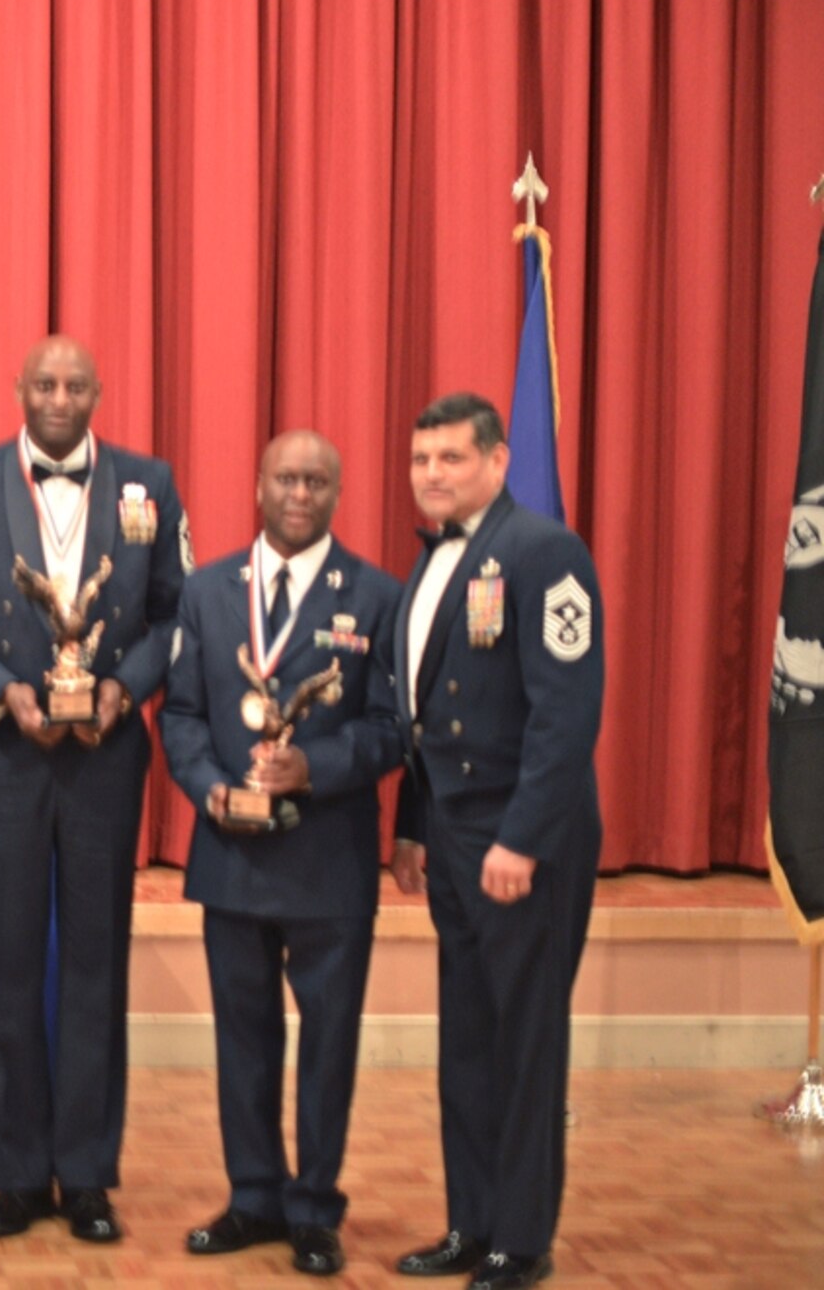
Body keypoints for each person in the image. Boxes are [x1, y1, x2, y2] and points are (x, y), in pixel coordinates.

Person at [0, 334, 188, 1242]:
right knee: (13, 964)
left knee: (97, 965)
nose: (59, 397)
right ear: (18, 388)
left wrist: (125, 687)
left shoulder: (148, 482)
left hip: (107, 759)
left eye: (75, 384)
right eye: (44, 382)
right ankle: (20, 1173)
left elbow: (178, 613)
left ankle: (89, 1173)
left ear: (98, 392)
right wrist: (0, 694)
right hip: (10, 757)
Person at [159, 431, 402, 1277]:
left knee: (329, 1041)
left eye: (317, 480)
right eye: (286, 478)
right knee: (244, 1039)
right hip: (231, 851)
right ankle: (253, 1197)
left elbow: (390, 729)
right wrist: (208, 788)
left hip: (330, 862)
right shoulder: (209, 590)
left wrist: (315, 767)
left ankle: (315, 1208)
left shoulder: (376, 596)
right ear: (258, 484)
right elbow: (181, 713)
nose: (300, 492)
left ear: (337, 492)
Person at [390, 393, 603, 1290]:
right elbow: (426, 707)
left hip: (522, 841)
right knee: (468, 1041)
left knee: (524, 1045)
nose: (433, 473)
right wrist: (410, 827)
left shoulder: (544, 552)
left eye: (451, 458)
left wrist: (520, 839)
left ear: (498, 460)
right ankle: (470, 1223)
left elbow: (565, 714)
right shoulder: (433, 557)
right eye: (421, 459)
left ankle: (523, 1238)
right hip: (451, 832)